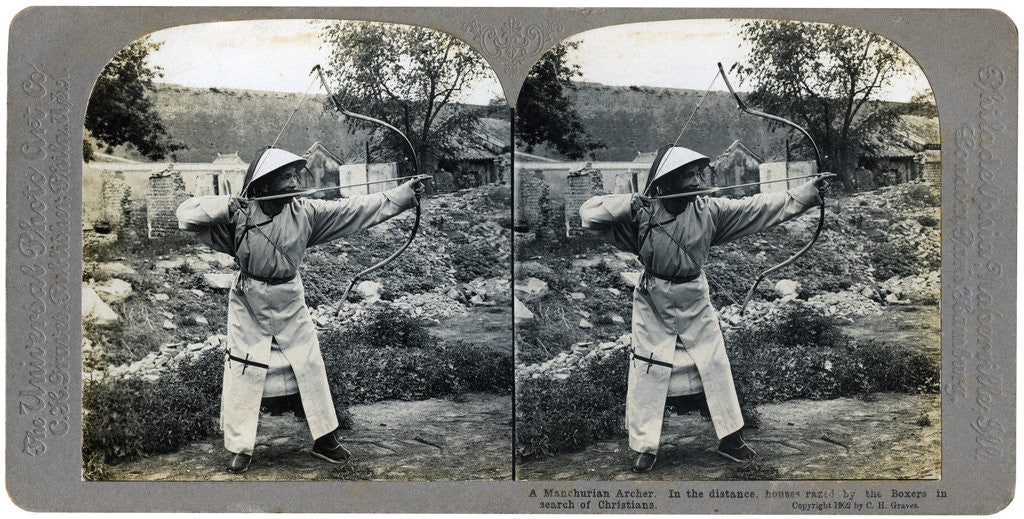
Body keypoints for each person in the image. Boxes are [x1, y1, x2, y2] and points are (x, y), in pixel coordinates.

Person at [176, 147, 424, 474]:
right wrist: (224, 205)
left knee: (309, 365)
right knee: (244, 369)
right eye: (286, 176)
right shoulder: (238, 215)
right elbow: (185, 216)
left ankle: (325, 440)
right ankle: (240, 446)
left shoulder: (306, 212)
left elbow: (356, 208)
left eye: (295, 174)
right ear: (264, 185)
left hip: (290, 299)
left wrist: (403, 195)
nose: (295, 182)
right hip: (248, 302)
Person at [579, 145, 824, 473]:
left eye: (698, 173)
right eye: (689, 175)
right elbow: (588, 215)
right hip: (653, 301)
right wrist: (628, 203)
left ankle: (731, 439)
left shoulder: (710, 211)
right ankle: (644, 446)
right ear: (667, 183)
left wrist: (808, 194)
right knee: (648, 368)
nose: (697, 181)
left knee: (713, 362)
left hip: (694, 297)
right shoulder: (641, 214)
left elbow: (760, 206)